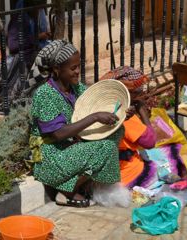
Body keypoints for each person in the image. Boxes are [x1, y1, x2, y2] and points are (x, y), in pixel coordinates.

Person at [29, 40, 124, 208]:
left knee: (116, 131)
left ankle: (78, 183)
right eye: (73, 68)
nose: (78, 71)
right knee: (106, 148)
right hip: (51, 157)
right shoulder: (45, 94)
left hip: (69, 147)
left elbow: (96, 107)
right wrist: (94, 117)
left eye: (78, 66)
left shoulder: (75, 88)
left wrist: (119, 114)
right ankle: (67, 191)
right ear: (57, 70)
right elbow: (57, 134)